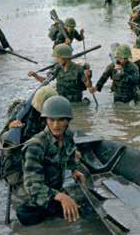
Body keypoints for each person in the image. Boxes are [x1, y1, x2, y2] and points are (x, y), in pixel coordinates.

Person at [18, 96, 91, 226]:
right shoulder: (36, 145)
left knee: (84, 209)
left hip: (56, 187)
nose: (56, 125)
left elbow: (70, 154)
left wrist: (74, 170)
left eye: (61, 120)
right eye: (51, 120)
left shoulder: (68, 135)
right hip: (42, 192)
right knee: (26, 215)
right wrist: (61, 197)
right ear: (46, 120)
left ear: (68, 121)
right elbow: (32, 187)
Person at [0, 85, 58, 188]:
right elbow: (2, 136)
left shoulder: (54, 114)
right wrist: (11, 127)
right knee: (14, 179)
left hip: (42, 152)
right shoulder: (22, 111)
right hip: (22, 152)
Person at [28, 43, 95, 104]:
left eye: (58, 57)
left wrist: (88, 77)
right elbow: (46, 81)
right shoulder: (57, 68)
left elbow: (90, 88)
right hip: (60, 100)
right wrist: (35, 76)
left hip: (74, 102)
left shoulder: (79, 69)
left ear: (64, 58)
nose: (56, 60)